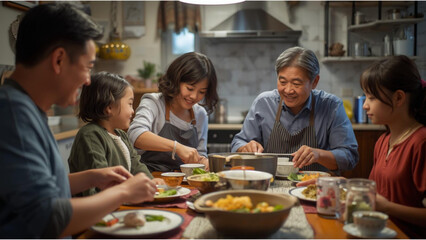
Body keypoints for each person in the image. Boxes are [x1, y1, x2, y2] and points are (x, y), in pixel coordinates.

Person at [0, 3, 156, 238]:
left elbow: (38, 190)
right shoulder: (14, 116)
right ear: (59, 60)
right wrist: (124, 192)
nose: (87, 81)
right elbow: (49, 219)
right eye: (88, 67)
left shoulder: (27, 108)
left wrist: (92, 177)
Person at [231, 46, 358, 173]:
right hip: (269, 185)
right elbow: (239, 142)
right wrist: (245, 148)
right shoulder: (263, 103)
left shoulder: (331, 106)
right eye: (282, 82)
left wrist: (319, 155)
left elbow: (349, 156)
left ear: (315, 82)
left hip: (314, 188)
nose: (288, 90)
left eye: (296, 84)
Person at [359, 56, 426, 238]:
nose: (365, 105)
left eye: (371, 97)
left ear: (398, 98)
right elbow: (373, 194)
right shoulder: (383, 141)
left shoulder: (421, 143)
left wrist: (386, 207)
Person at [68, 72, 165, 196]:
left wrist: (150, 180)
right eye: (130, 104)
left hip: (120, 200)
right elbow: (97, 186)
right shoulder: (91, 135)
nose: (132, 110)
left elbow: (136, 165)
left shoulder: (121, 135)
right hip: (101, 209)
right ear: (109, 107)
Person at [128, 52, 218, 172]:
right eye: (190, 88)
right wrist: (176, 147)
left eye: (201, 92)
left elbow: (200, 153)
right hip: (149, 178)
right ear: (176, 81)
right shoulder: (154, 102)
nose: (194, 96)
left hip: (184, 183)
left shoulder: (200, 114)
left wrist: (203, 161)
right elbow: (135, 134)